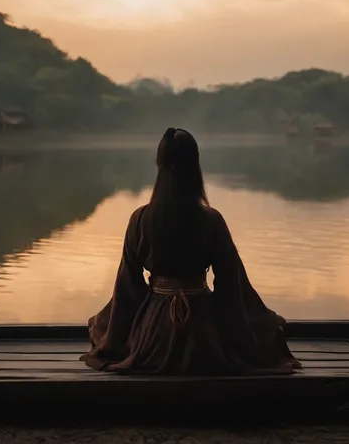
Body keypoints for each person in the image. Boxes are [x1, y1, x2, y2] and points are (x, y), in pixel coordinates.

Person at [80, 128, 301, 375]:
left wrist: (121, 328)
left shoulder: (141, 219)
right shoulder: (211, 220)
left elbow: (127, 286)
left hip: (154, 333)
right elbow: (232, 286)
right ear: (195, 165)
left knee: (99, 324)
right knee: (266, 328)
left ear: (159, 164)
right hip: (204, 331)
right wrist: (254, 325)